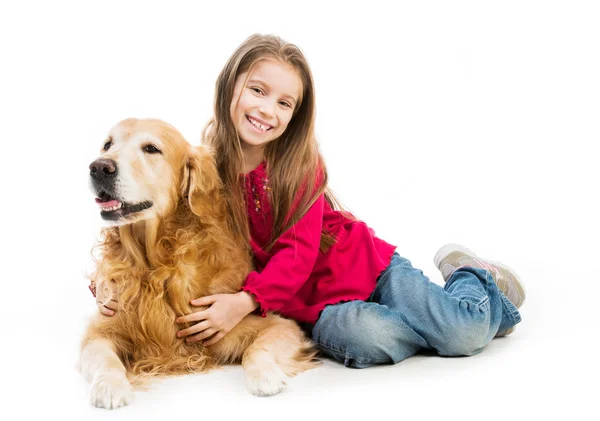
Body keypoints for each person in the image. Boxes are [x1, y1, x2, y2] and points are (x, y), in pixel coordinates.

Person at [91, 34, 525, 368]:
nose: (267, 110)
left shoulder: (299, 166)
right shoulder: (203, 167)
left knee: (462, 334)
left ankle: (472, 278)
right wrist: (108, 284)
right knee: (365, 339)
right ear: (229, 88)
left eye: (284, 102)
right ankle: (433, 323)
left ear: (295, 115)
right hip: (311, 310)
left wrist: (244, 303)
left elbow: (297, 257)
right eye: (257, 91)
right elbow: (153, 223)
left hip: (368, 270)